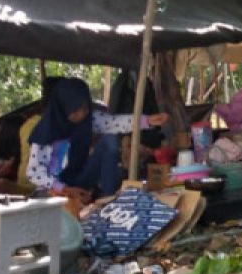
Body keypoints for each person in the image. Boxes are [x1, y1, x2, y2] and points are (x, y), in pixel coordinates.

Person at [26, 78, 168, 200]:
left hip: (79, 179)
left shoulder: (88, 119)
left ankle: (108, 198)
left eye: (85, 108)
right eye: (75, 110)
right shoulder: (45, 132)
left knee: (110, 141)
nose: (82, 114)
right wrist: (64, 189)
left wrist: (147, 121)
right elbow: (34, 172)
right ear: (63, 108)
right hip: (52, 188)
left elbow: (114, 123)